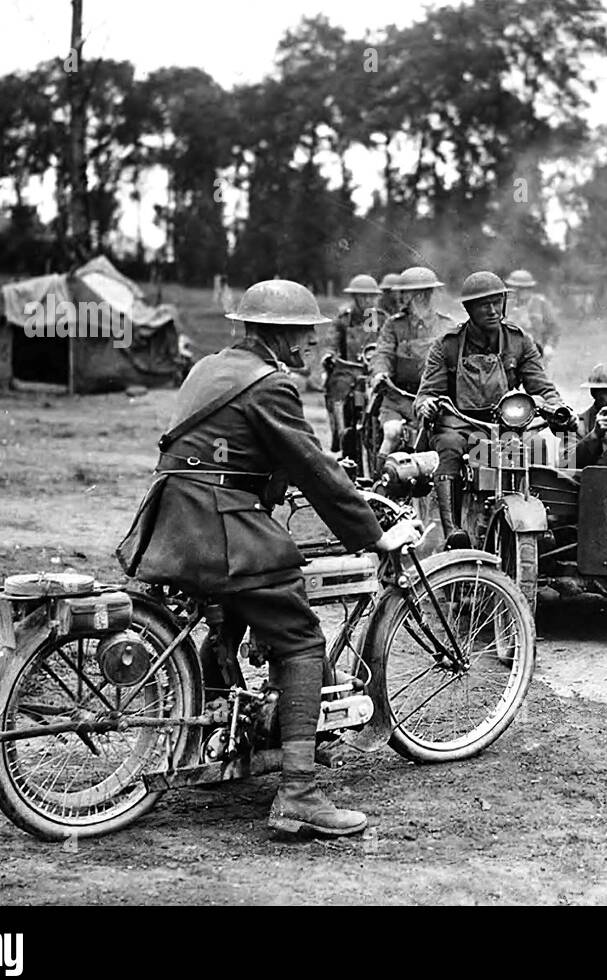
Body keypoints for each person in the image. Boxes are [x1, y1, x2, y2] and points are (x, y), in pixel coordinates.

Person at [115, 279, 423, 839]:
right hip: (220, 523)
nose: (307, 349)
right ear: (281, 337)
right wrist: (372, 532)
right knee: (301, 638)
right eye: (303, 338)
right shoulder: (271, 385)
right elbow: (311, 465)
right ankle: (299, 792)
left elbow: (229, 446)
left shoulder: (211, 366)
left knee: (228, 619)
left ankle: (212, 738)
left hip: (174, 518)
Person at [415, 270, 569, 549]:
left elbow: (541, 386)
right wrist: (427, 405)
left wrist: (556, 407)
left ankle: (538, 523)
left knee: (537, 449)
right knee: (448, 447)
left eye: (497, 302)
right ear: (469, 309)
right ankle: (453, 532)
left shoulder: (519, 341)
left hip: (504, 423)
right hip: (459, 422)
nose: (492, 310)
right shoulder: (447, 345)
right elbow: (426, 393)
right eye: (483, 304)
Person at [369, 266, 456, 458]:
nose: (421, 299)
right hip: (398, 398)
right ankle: (380, 481)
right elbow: (383, 353)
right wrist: (380, 373)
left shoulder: (447, 326)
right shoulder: (393, 325)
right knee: (392, 433)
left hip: (435, 401)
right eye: (414, 294)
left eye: (426, 293)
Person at [322, 273, 386, 452]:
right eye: (362, 296)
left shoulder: (374, 317)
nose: (367, 300)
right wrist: (329, 355)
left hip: (371, 369)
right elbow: (332, 340)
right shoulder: (345, 318)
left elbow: (372, 341)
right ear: (354, 297)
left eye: (370, 296)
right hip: (347, 370)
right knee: (338, 392)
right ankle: (340, 434)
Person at [505, 269, 560, 358]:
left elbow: (553, 328)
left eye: (522, 288)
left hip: (535, 350)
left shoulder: (540, 303)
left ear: (529, 288)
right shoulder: (507, 304)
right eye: (515, 288)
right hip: (511, 352)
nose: (518, 292)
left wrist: (549, 346)